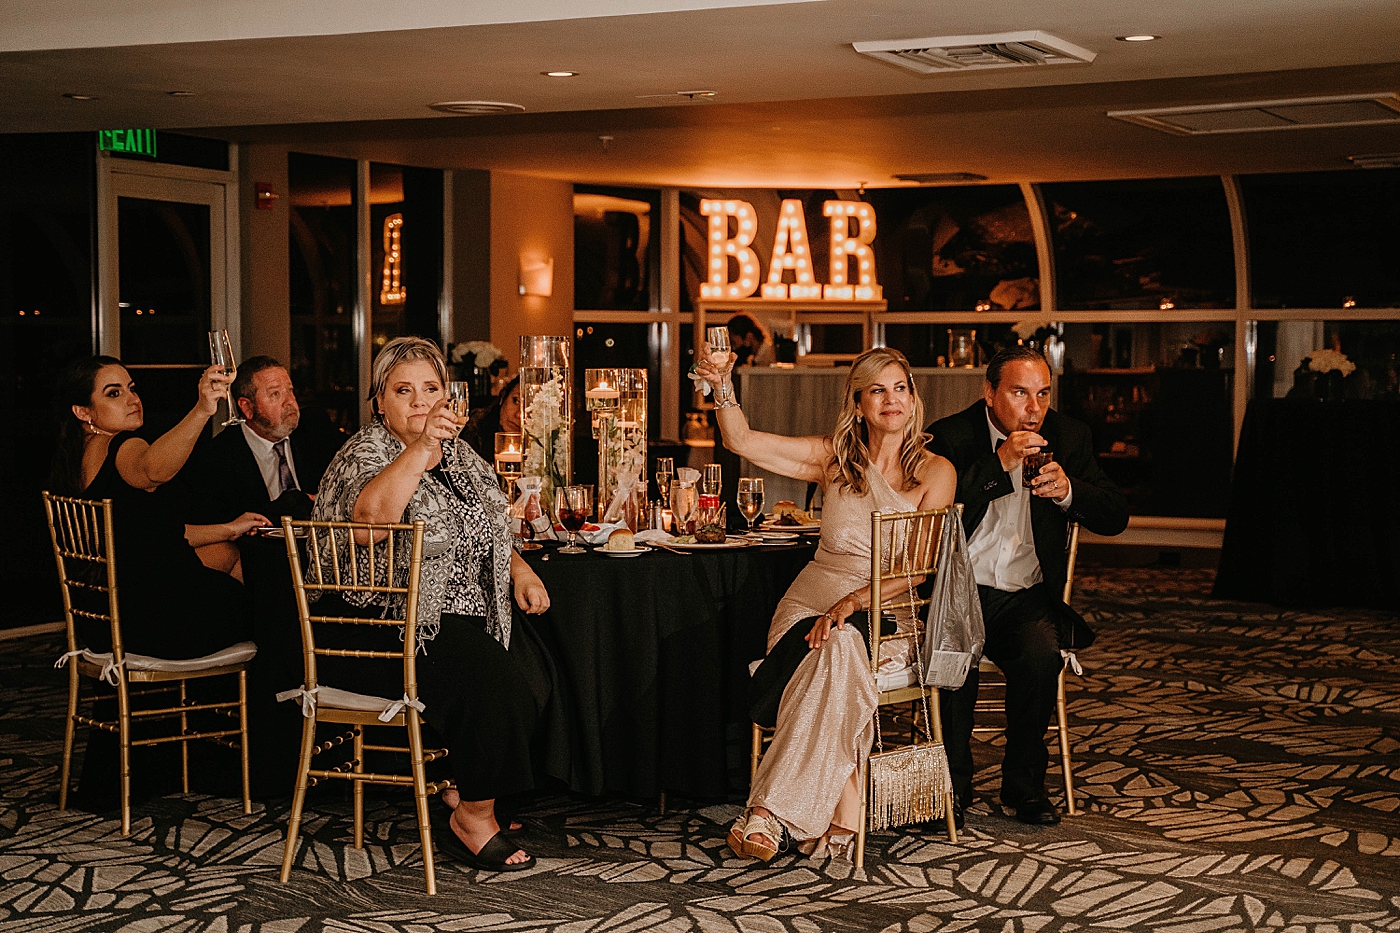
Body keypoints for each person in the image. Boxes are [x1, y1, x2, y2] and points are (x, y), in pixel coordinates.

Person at [694, 346, 957, 862]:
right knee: (832, 651)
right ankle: (820, 812)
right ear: (858, 403)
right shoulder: (834, 458)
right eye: (877, 390)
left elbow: (917, 571)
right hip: (806, 606)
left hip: (887, 614)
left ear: (913, 398)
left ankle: (767, 813)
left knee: (837, 650)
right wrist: (722, 384)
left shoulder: (935, 472)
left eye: (900, 388)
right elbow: (740, 440)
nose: (892, 400)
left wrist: (853, 602)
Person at [308, 337, 558, 871]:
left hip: (458, 614)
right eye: (403, 391)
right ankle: (472, 818)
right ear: (380, 401)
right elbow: (369, 526)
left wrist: (518, 569)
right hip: (382, 621)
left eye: (430, 388)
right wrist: (420, 449)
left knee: (536, 672)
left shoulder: (459, 454)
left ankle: (469, 782)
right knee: (495, 684)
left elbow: (488, 526)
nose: (420, 401)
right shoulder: (365, 451)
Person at [927, 346, 1128, 827]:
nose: (1034, 408)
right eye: (1019, 393)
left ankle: (1025, 786)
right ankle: (951, 788)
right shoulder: (951, 436)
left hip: (1025, 594)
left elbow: (1115, 514)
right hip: (959, 590)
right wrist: (998, 464)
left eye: (1043, 394)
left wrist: (1070, 493)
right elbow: (932, 519)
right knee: (952, 660)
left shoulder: (1068, 436)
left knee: (1040, 653)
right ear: (989, 392)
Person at [48, 356, 270, 658]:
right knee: (270, 603)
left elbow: (155, 532)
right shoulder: (122, 446)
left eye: (131, 388)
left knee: (227, 552)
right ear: (82, 411)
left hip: (104, 621)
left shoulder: (76, 459)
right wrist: (202, 409)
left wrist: (230, 529)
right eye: (114, 393)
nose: (132, 399)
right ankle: (267, 682)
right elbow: (152, 470)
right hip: (158, 623)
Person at [180, 356, 342, 524]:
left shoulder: (315, 427)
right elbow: (233, 522)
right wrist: (291, 504)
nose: (290, 401)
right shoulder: (217, 458)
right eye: (275, 394)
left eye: (290, 390)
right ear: (247, 407)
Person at [464, 376, 520, 461]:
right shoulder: (474, 433)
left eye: (531, 409)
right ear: (503, 397)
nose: (519, 414)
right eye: (516, 400)